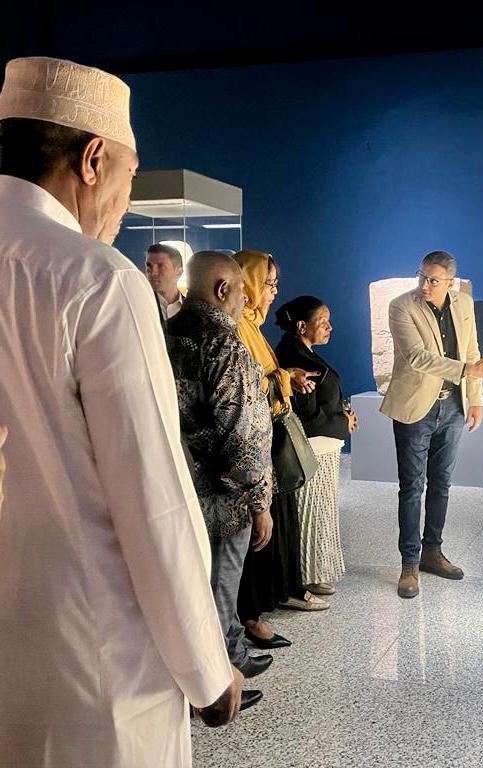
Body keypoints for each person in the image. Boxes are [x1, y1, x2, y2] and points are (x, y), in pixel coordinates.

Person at [0, 57, 240, 768]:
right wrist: (207, 669)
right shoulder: (95, 278)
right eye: (130, 177)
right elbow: (152, 499)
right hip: (93, 658)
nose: (126, 203)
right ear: (93, 159)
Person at [166, 251, 277, 707]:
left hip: (183, 484)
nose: (246, 300)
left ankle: (232, 653)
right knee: (219, 584)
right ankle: (216, 686)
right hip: (225, 495)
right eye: (242, 292)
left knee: (206, 582)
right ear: (222, 289)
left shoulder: (170, 330)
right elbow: (240, 433)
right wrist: (260, 502)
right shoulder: (222, 343)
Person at [381, 250, 483, 598]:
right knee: (412, 487)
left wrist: (476, 398)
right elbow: (416, 357)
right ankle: (409, 563)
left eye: (433, 280)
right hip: (415, 407)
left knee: (441, 484)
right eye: (421, 276)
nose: (424, 284)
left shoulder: (464, 303)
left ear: (450, 282)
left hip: (453, 406)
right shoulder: (401, 306)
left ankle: (432, 553)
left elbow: (473, 351)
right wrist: (466, 370)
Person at [234, 249, 323, 651]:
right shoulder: (237, 327)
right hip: (249, 447)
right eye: (267, 284)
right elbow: (248, 387)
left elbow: (264, 376)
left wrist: (286, 376)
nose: (272, 293)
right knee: (254, 533)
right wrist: (284, 379)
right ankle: (248, 617)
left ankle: (261, 606)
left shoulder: (251, 327)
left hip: (266, 443)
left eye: (274, 285)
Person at [276, 296, 355, 600]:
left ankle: (313, 572)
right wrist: (342, 422)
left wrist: (342, 415)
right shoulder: (296, 358)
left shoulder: (299, 352)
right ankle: (307, 575)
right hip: (312, 449)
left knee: (319, 515)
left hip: (322, 449)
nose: (329, 327)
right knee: (311, 515)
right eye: (323, 322)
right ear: (301, 326)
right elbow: (308, 418)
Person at [146, 242, 185, 322]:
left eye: (161, 266)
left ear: (179, 272)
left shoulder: (194, 310)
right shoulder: (140, 307)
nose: (153, 273)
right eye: (149, 266)